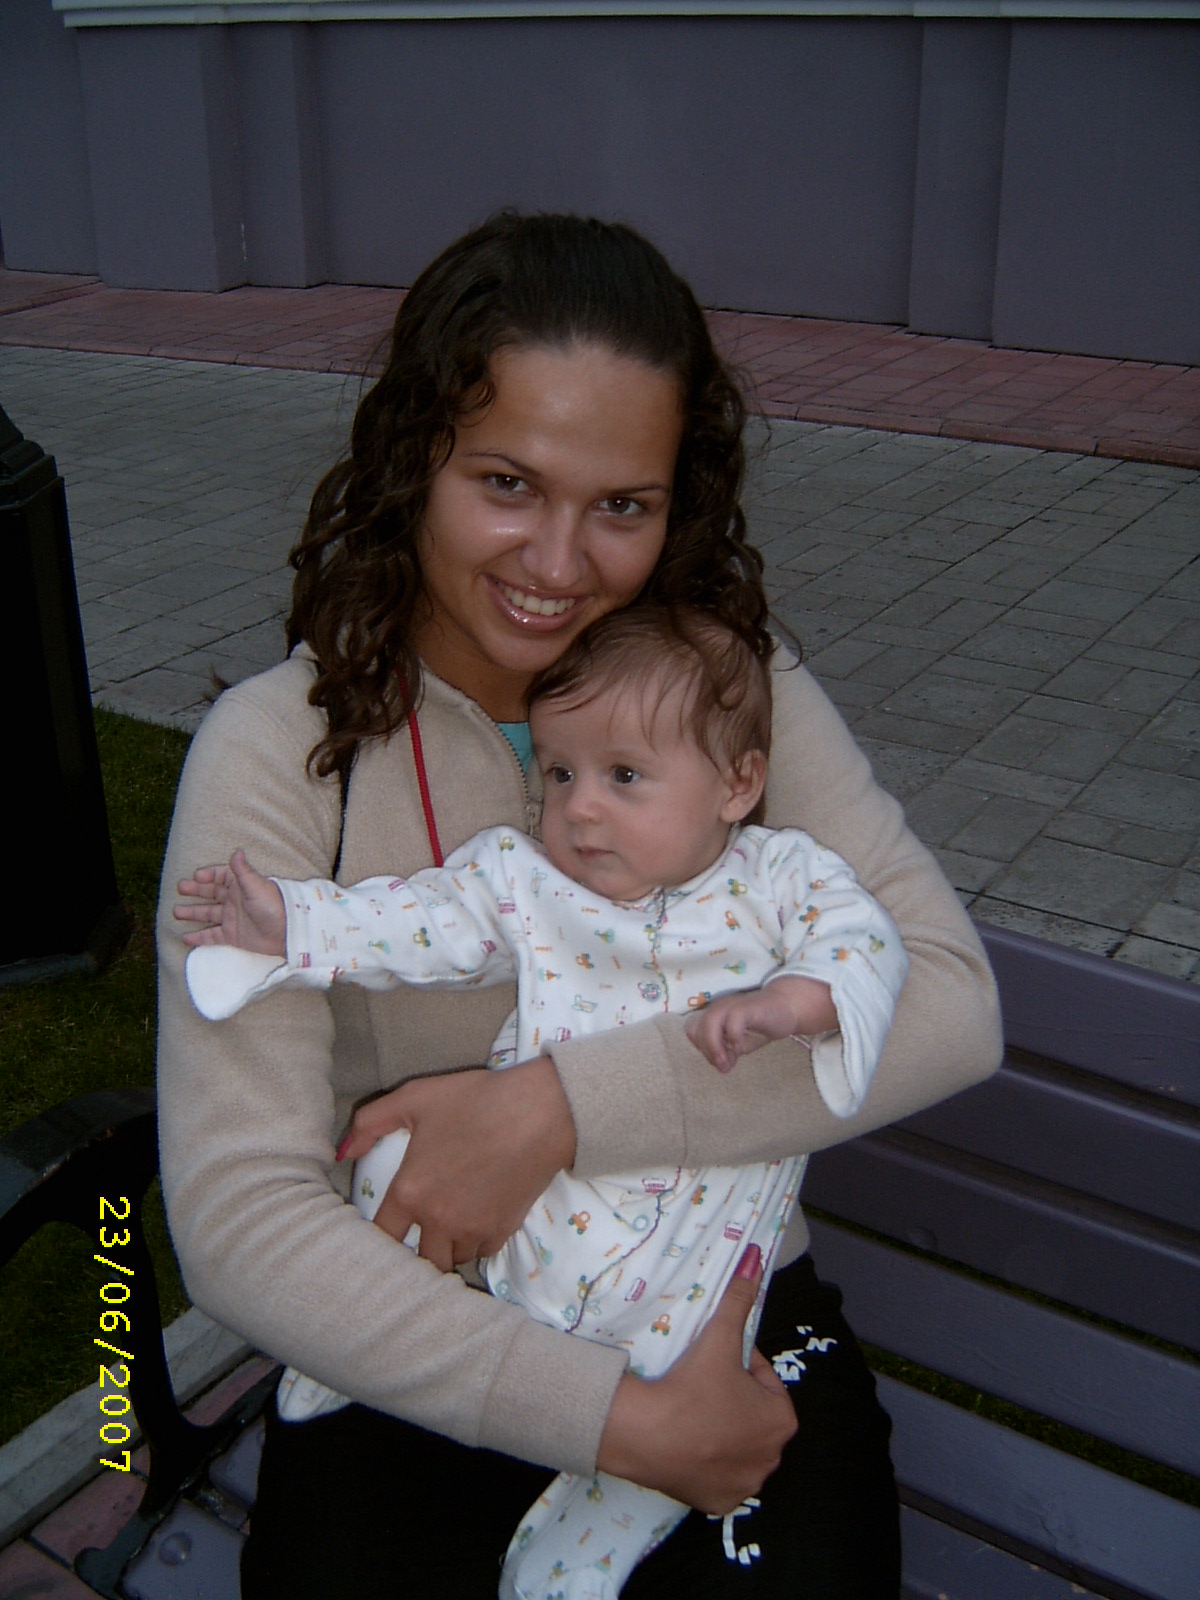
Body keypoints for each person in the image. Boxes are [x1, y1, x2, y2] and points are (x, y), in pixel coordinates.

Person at [155, 210, 1002, 1600]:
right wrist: (609, 1421)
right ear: (414, 457)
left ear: (682, 501)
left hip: (721, 1314)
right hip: (412, 1336)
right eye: (507, 482)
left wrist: (559, 1108)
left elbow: (947, 1004)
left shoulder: (732, 693)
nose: (559, 563)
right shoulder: (280, 748)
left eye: (623, 505)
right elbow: (240, 1211)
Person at [175, 605, 909, 1600]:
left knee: (663, 1438)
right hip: (514, 1240)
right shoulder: (527, 880)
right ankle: (342, 1365)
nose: (579, 809)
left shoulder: (780, 877)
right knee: (390, 1157)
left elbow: (867, 941)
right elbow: (418, 922)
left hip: (686, 1262)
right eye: (559, 774)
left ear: (737, 785)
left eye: (624, 776)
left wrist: (800, 1002)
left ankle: (570, 1571)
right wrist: (292, 923)